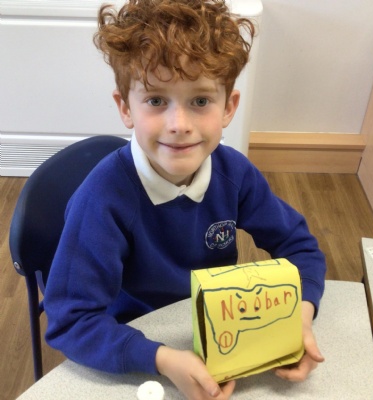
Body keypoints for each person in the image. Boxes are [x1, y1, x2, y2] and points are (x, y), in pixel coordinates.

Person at [44, 0, 326, 399]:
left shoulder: (235, 174)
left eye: (200, 101)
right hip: (136, 344)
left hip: (221, 332)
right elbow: (71, 321)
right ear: (125, 107)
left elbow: (300, 248)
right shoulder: (102, 199)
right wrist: (162, 359)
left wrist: (300, 313)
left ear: (228, 107)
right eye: (156, 100)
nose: (179, 125)